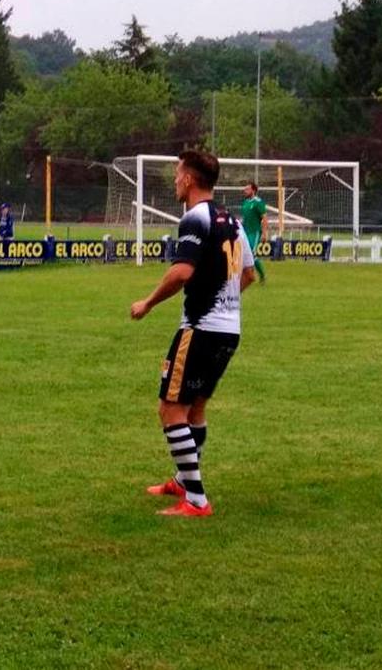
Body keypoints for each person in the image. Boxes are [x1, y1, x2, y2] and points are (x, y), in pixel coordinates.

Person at [130, 150, 255, 518]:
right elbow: (247, 274)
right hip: (229, 331)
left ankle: (196, 500)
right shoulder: (231, 220)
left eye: (176, 174)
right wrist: (224, 298)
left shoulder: (194, 219)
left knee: (170, 409)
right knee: (194, 408)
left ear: (188, 179)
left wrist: (148, 303)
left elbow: (182, 272)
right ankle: (184, 481)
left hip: (201, 329)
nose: (174, 180)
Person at [239, 181, 268, 283]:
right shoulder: (246, 202)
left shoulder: (258, 202)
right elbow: (245, 218)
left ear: (253, 190)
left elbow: (264, 218)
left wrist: (264, 234)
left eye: (247, 189)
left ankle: (262, 275)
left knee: (251, 254)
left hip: (254, 233)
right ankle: (246, 276)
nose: (244, 191)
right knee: (243, 254)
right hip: (245, 232)